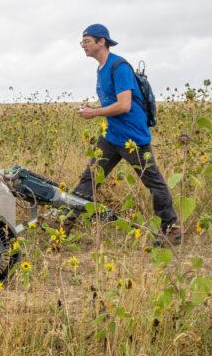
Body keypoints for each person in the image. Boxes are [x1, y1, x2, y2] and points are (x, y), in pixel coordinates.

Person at [71, 23, 181, 246]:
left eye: (87, 41)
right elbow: (113, 103)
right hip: (112, 136)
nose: (83, 46)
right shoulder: (102, 68)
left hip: (133, 139)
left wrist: (94, 113)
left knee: (155, 184)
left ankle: (172, 230)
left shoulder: (118, 67)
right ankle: (63, 223)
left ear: (101, 42)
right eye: (82, 42)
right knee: (89, 179)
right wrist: (93, 108)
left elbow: (124, 105)